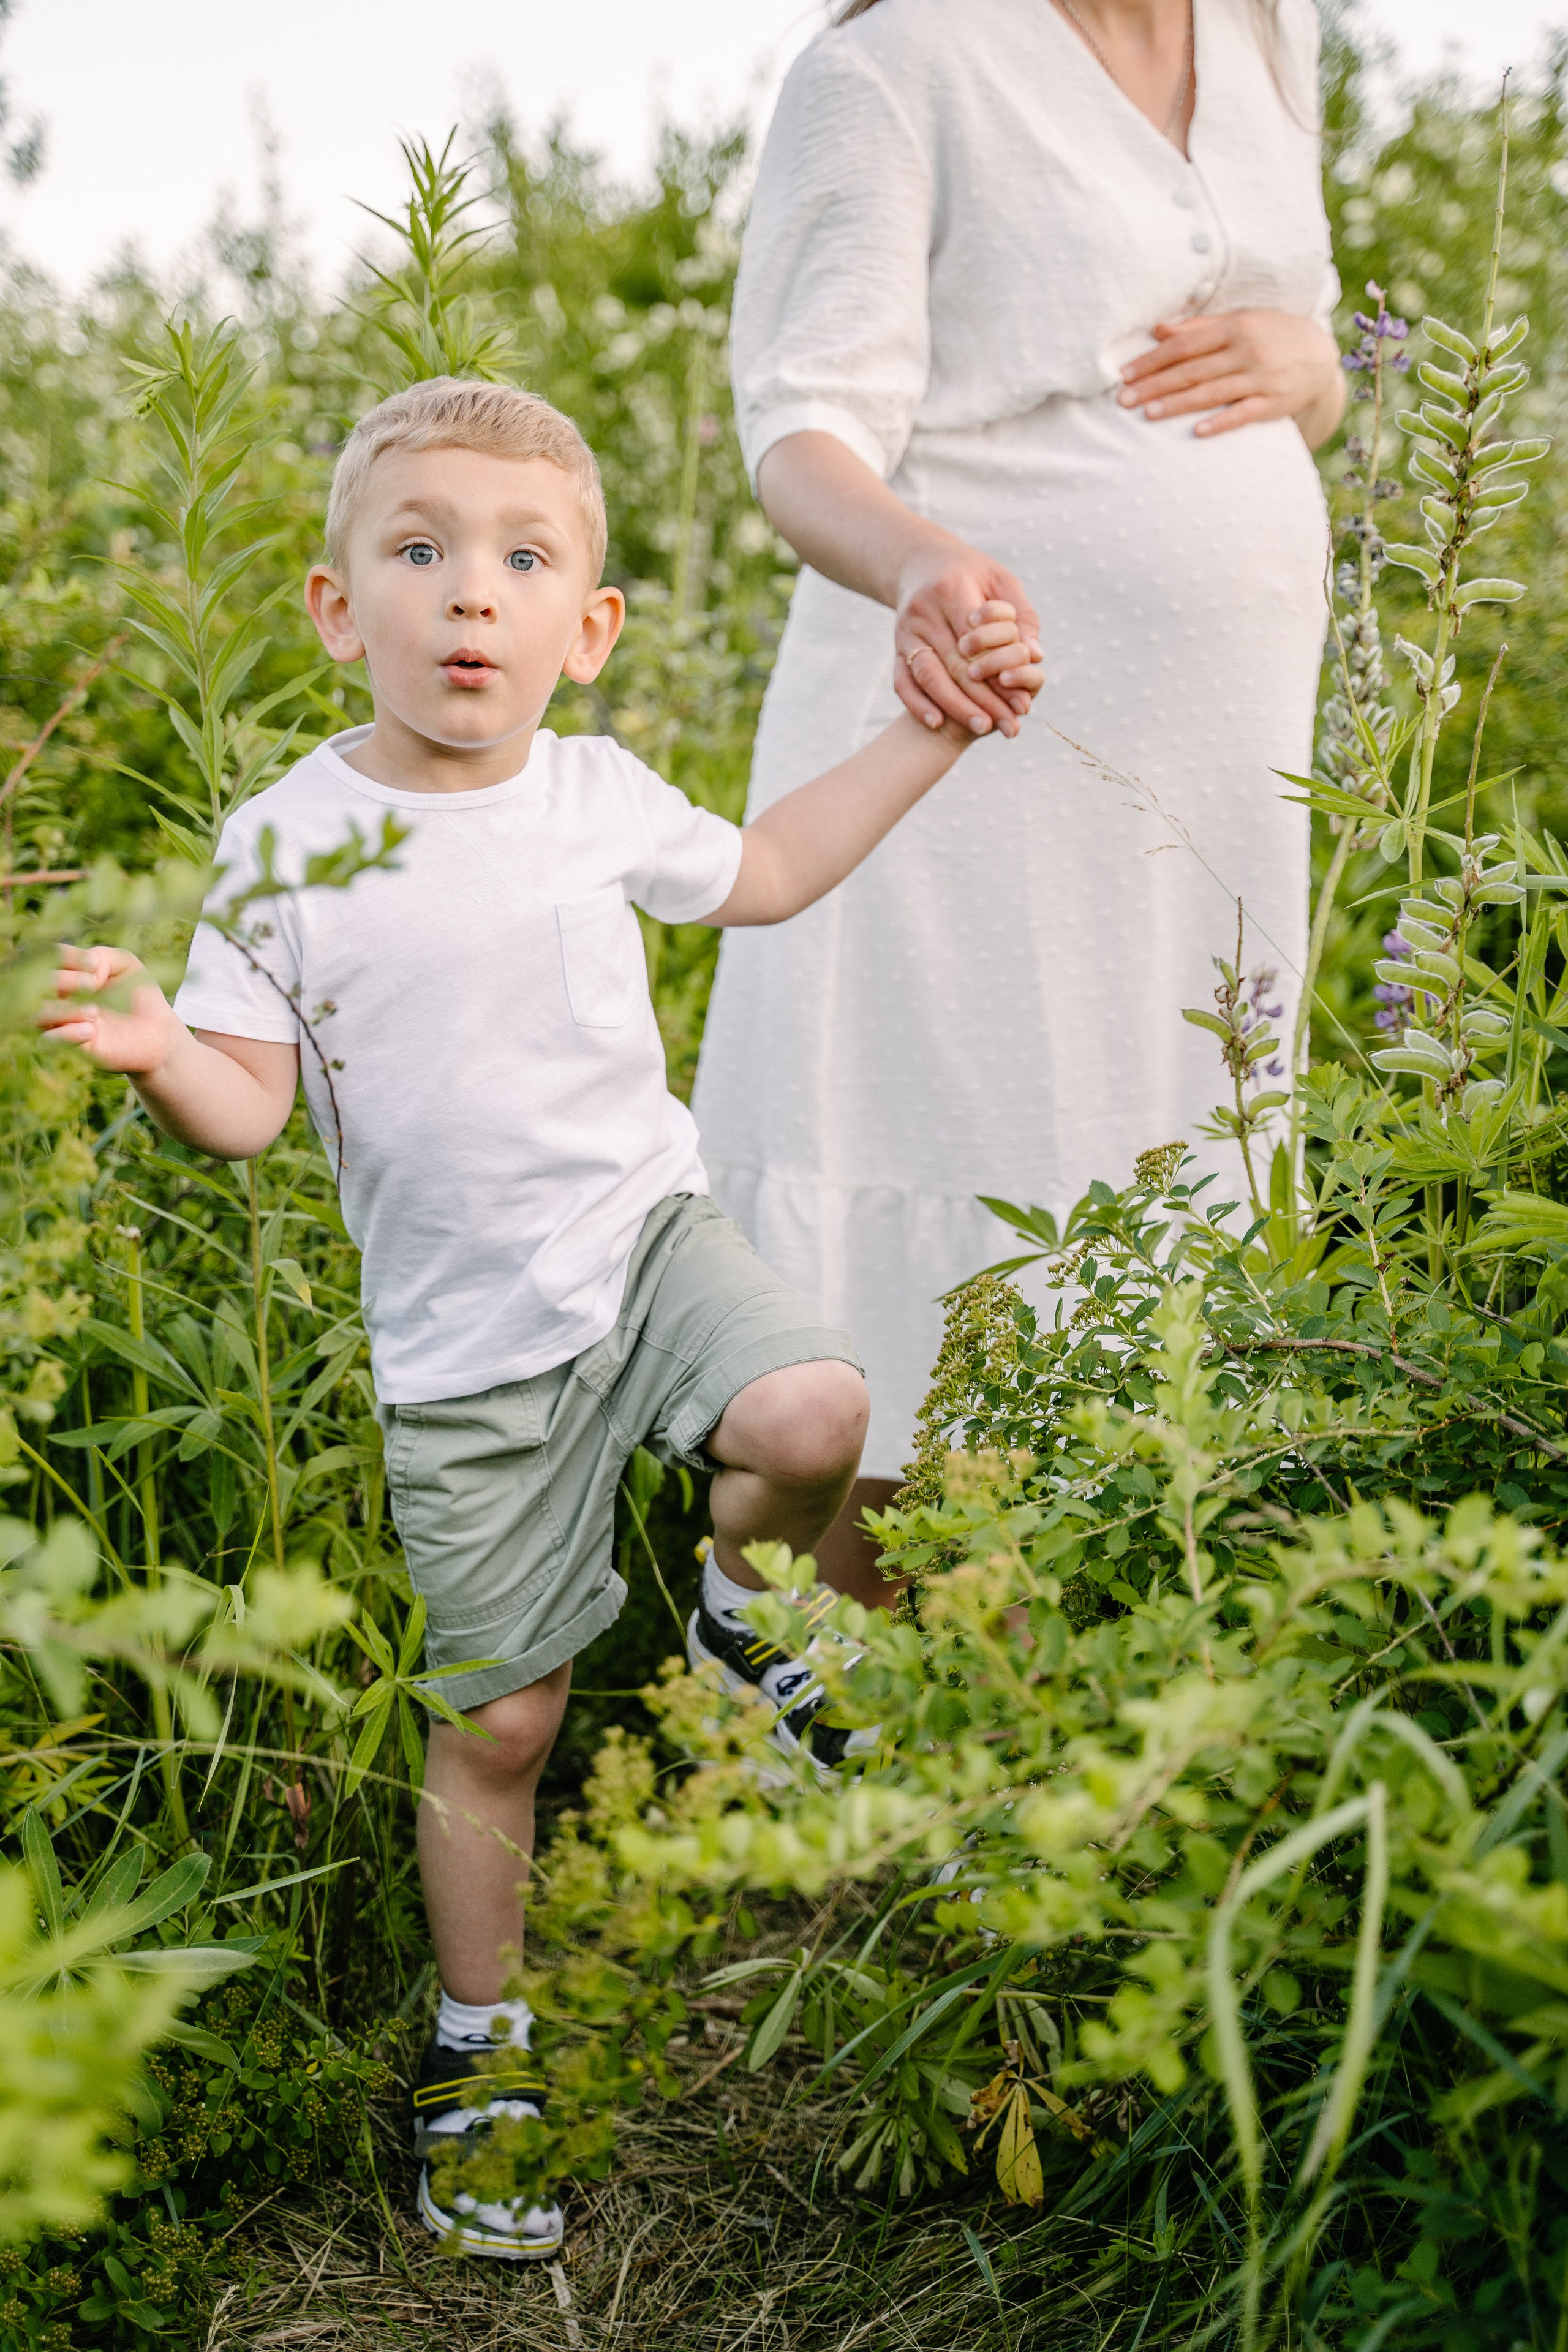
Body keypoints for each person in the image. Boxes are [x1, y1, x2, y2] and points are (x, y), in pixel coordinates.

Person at [40, 377, 1039, 2259]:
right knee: (504, 1718)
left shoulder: (595, 799)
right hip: (467, 1352)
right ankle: (478, 2048)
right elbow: (253, 1115)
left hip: (641, 1247)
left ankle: (753, 1620)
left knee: (819, 1410)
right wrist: (169, 1047)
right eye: (420, 553)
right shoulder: (288, 846)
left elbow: (771, 874)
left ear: (587, 634)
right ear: (342, 607)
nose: (468, 596)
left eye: (521, 561)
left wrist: (934, 734)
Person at [692, 0, 1346, 1591]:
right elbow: (802, 424)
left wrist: (1314, 368)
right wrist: (922, 563)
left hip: (1203, 778)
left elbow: (1282, 367)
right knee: (938, 1172)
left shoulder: (1268, 34)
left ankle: (1009, 1710)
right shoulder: (897, 60)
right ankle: (786, 1656)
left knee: (1143, 1162)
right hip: (958, 731)